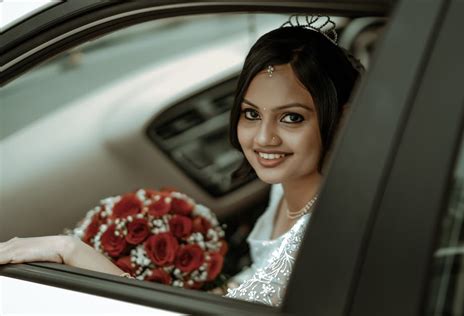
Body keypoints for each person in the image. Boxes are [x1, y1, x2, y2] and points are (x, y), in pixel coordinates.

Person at [0, 15, 362, 307]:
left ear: (341, 117)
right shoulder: (286, 188)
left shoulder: (322, 238)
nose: (264, 138)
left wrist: (70, 251)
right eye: (252, 114)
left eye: (292, 118)